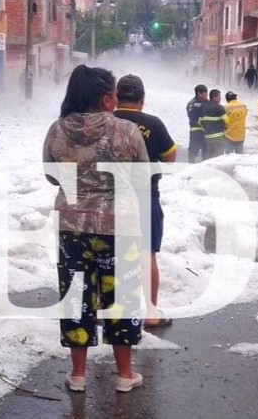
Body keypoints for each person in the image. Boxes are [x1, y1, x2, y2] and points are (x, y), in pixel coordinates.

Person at [44, 65, 149, 393]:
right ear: (106, 98)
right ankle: (124, 375)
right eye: (115, 94)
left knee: (77, 297)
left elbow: (50, 176)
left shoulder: (58, 130)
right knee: (122, 299)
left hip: (72, 227)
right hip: (120, 227)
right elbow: (142, 175)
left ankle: (77, 375)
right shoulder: (127, 131)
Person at [113, 75, 177, 328]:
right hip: (143, 194)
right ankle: (150, 312)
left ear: (116, 97)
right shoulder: (153, 123)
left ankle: (100, 309)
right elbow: (170, 156)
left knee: (107, 251)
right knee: (146, 252)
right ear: (142, 99)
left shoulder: (106, 121)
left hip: (109, 195)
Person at [200, 89, 229, 159]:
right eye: (219, 96)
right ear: (214, 97)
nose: (220, 98)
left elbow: (200, 121)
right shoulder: (219, 107)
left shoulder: (203, 107)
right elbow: (227, 121)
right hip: (218, 137)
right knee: (218, 159)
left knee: (209, 158)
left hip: (207, 137)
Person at [186, 84, 209, 163]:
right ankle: (190, 168)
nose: (206, 95)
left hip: (206, 133)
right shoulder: (191, 104)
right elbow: (193, 118)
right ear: (199, 93)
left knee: (206, 152)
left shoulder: (208, 103)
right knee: (193, 152)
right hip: (196, 132)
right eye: (205, 93)